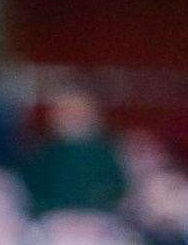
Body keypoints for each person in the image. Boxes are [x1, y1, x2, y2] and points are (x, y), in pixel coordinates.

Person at [20, 83, 127, 217]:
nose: (73, 116)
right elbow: (32, 193)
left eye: (79, 110)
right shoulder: (43, 155)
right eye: (66, 111)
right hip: (54, 220)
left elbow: (116, 191)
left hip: (98, 220)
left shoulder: (106, 154)